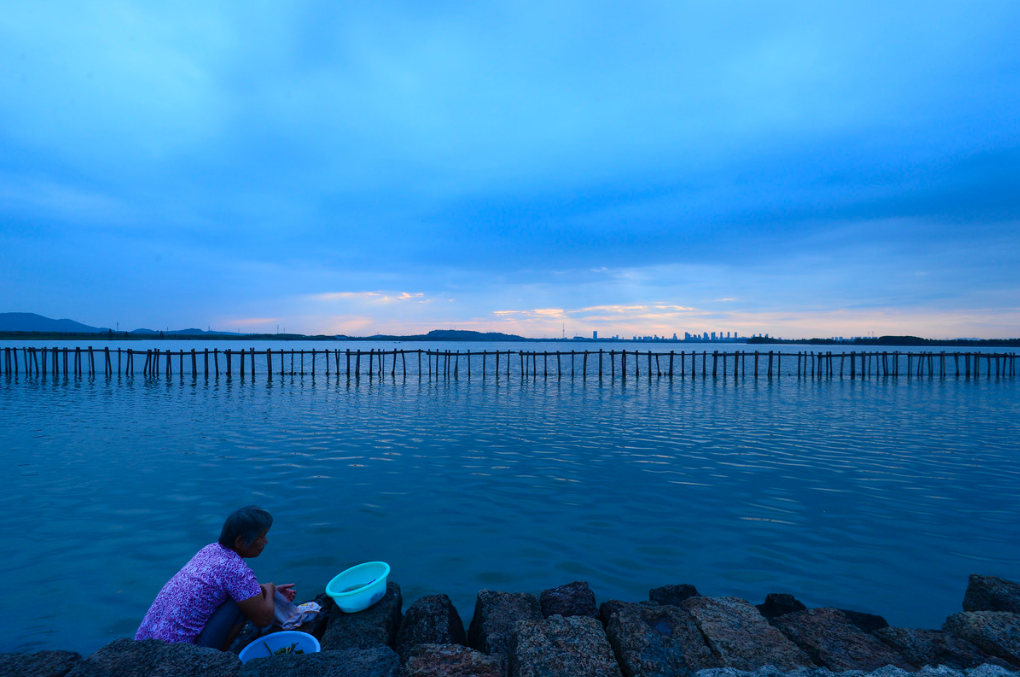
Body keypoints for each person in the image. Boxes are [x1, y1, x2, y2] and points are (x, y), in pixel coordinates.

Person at [135, 506, 297, 650]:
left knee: (241, 595)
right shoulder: (236, 569)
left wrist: (267, 590)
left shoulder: (210, 550)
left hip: (147, 647)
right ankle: (216, 658)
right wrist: (269, 589)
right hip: (178, 654)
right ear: (240, 541)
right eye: (261, 536)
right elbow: (263, 619)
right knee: (239, 603)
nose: (265, 541)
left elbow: (234, 587)